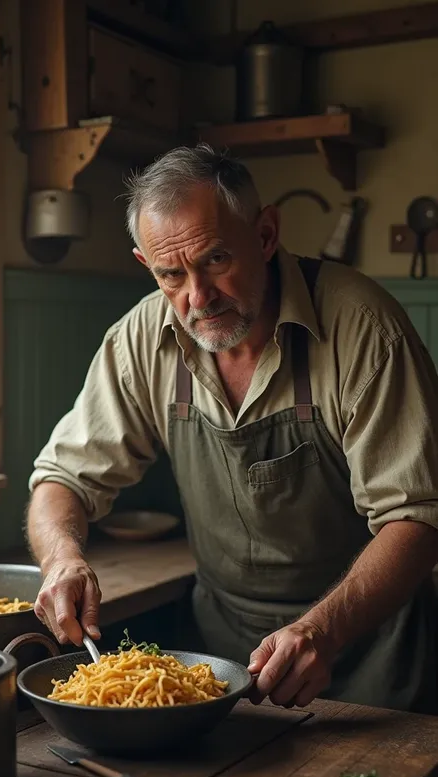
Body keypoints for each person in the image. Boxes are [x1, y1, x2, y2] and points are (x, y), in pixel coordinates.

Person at [27, 143, 438, 714]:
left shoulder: (364, 330)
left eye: (216, 260)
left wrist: (321, 630)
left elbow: (416, 517)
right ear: (148, 267)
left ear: (266, 234)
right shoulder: (143, 338)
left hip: (370, 651)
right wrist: (62, 558)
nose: (197, 298)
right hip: (219, 660)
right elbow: (61, 477)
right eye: (172, 274)